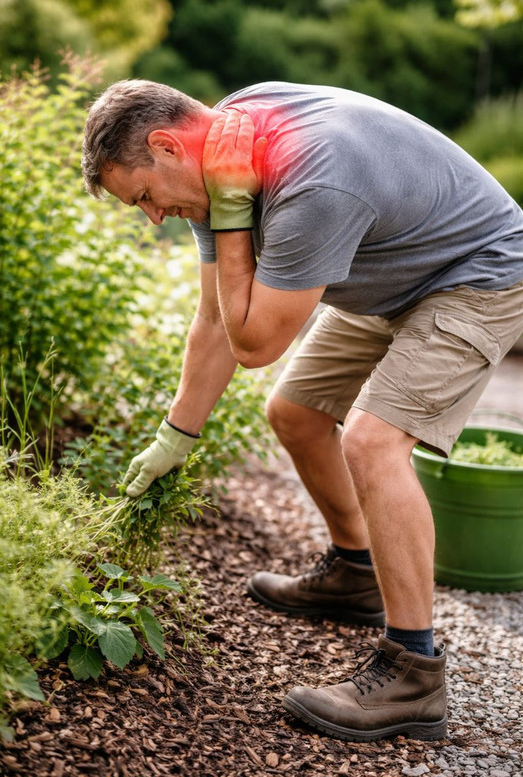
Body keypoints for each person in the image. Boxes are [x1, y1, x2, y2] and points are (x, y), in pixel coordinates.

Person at [82, 79, 523, 743]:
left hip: (475, 274)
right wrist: (176, 434)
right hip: (392, 274)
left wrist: (234, 217)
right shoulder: (219, 162)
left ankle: (414, 673)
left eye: (144, 196)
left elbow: (254, 343)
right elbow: (215, 319)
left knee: (372, 443)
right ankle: (356, 572)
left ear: (168, 145)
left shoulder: (307, 179)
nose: (153, 217)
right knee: (295, 412)